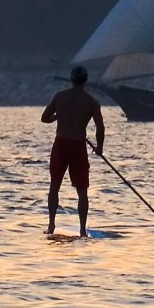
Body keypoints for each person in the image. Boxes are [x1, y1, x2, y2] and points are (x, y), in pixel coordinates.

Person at [41, 65, 105, 237]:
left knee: (54, 186)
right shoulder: (91, 102)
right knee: (82, 190)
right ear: (85, 81)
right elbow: (100, 128)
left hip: (61, 143)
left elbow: (44, 118)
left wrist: (57, 117)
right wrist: (99, 148)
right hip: (78, 145)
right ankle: (82, 230)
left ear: (71, 79)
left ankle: (51, 225)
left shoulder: (59, 97)